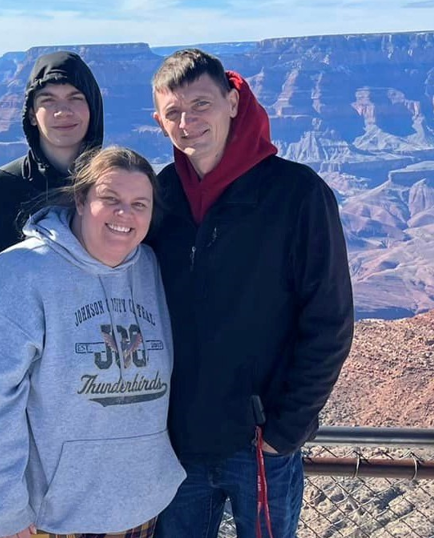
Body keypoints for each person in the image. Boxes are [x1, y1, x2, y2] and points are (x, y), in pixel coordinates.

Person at [148, 49, 354, 537]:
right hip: (178, 446)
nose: (187, 122)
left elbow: (329, 322)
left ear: (233, 102)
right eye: (173, 112)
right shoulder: (160, 197)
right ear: (158, 121)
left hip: (260, 445)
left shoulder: (297, 194)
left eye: (201, 105)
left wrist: (285, 431)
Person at [0, 146, 186, 538]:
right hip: (41, 519)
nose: (124, 214)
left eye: (138, 204)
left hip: (137, 509)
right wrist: (5, 510)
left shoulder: (150, 269)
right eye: (110, 199)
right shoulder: (16, 276)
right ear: (80, 199)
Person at [0, 50, 103, 275]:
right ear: (31, 114)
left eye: (75, 98)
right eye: (48, 100)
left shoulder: (117, 186)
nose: (62, 111)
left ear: (93, 108)